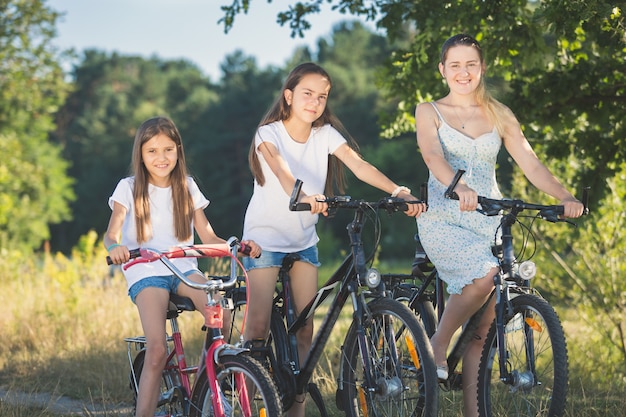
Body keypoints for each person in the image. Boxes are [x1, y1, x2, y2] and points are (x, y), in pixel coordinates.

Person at [241, 62, 426, 417]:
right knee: (258, 329)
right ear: (289, 96)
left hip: (302, 241)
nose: (314, 102)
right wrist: (306, 195)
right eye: (307, 94)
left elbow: (359, 165)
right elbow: (281, 171)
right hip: (264, 240)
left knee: (306, 329)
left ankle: (295, 413)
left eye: (322, 96)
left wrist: (398, 191)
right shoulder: (268, 133)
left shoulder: (324, 135)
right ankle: (246, 405)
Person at [414, 34, 585, 417]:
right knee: (488, 273)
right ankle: (437, 344)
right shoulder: (429, 110)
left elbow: (531, 162)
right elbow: (431, 154)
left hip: (488, 216)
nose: (463, 72)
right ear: (443, 70)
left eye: (470, 64)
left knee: (486, 327)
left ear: (482, 68)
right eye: (454, 65)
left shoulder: (499, 113)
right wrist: (459, 187)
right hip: (445, 216)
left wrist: (565, 196)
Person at [104, 116, 261, 417]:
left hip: (183, 268)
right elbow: (112, 233)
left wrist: (236, 246)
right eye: (152, 151)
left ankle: (206, 385)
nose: (161, 158)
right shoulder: (128, 187)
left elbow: (209, 236)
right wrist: (116, 247)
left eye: (167, 149)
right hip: (145, 269)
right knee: (157, 350)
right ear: (140, 154)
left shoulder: (187, 187)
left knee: (223, 316)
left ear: (178, 150)